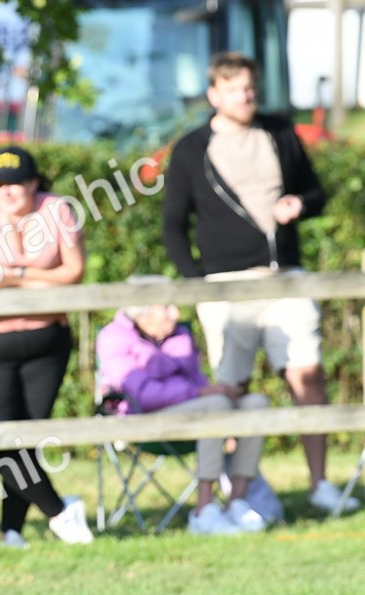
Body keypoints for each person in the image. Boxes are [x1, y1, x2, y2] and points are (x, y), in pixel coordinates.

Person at [162, 51, 359, 515]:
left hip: (286, 277)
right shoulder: (191, 149)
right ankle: (242, 493)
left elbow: (316, 192)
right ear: (214, 94)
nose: (245, 96)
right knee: (232, 389)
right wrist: (199, 286)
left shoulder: (280, 132)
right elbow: (173, 226)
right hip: (226, 284)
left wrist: (299, 205)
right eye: (234, 89)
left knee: (307, 374)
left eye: (250, 87)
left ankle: (320, 484)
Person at [0, 145, 93, 548]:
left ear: (34, 182)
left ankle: (11, 530)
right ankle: (60, 511)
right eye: (0, 183)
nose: (8, 192)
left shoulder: (57, 209)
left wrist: (12, 273)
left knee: (25, 440)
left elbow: (74, 271)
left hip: (45, 340)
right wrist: (37, 277)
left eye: (16, 183)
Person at [96, 284, 269, 534]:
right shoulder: (113, 337)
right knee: (216, 404)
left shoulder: (179, 334)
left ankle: (237, 502)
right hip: (143, 418)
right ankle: (203, 510)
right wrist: (205, 394)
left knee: (256, 404)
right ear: (141, 312)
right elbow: (143, 395)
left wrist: (223, 391)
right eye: (166, 307)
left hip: (195, 410)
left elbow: (197, 381)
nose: (175, 314)